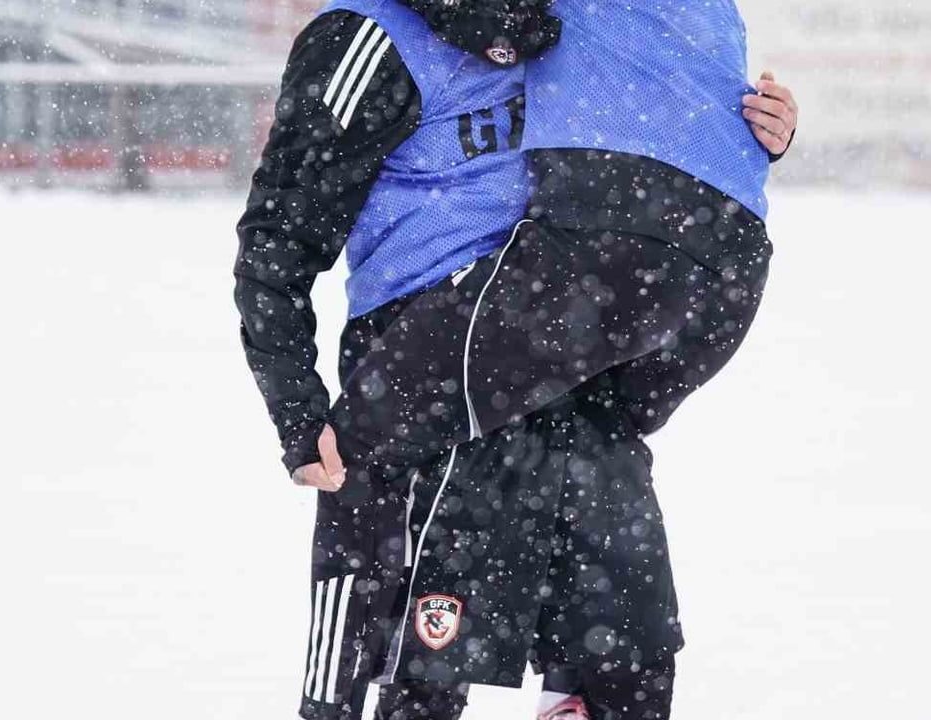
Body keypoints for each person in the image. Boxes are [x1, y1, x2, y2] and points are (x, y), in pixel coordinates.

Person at [233, 0, 799, 717]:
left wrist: (755, 129)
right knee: (405, 677)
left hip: (566, 369)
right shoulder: (369, 33)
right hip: (426, 365)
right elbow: (278, 237)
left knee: (625, 665)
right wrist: (296, 407)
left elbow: (673, 133)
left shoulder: (568, 24)